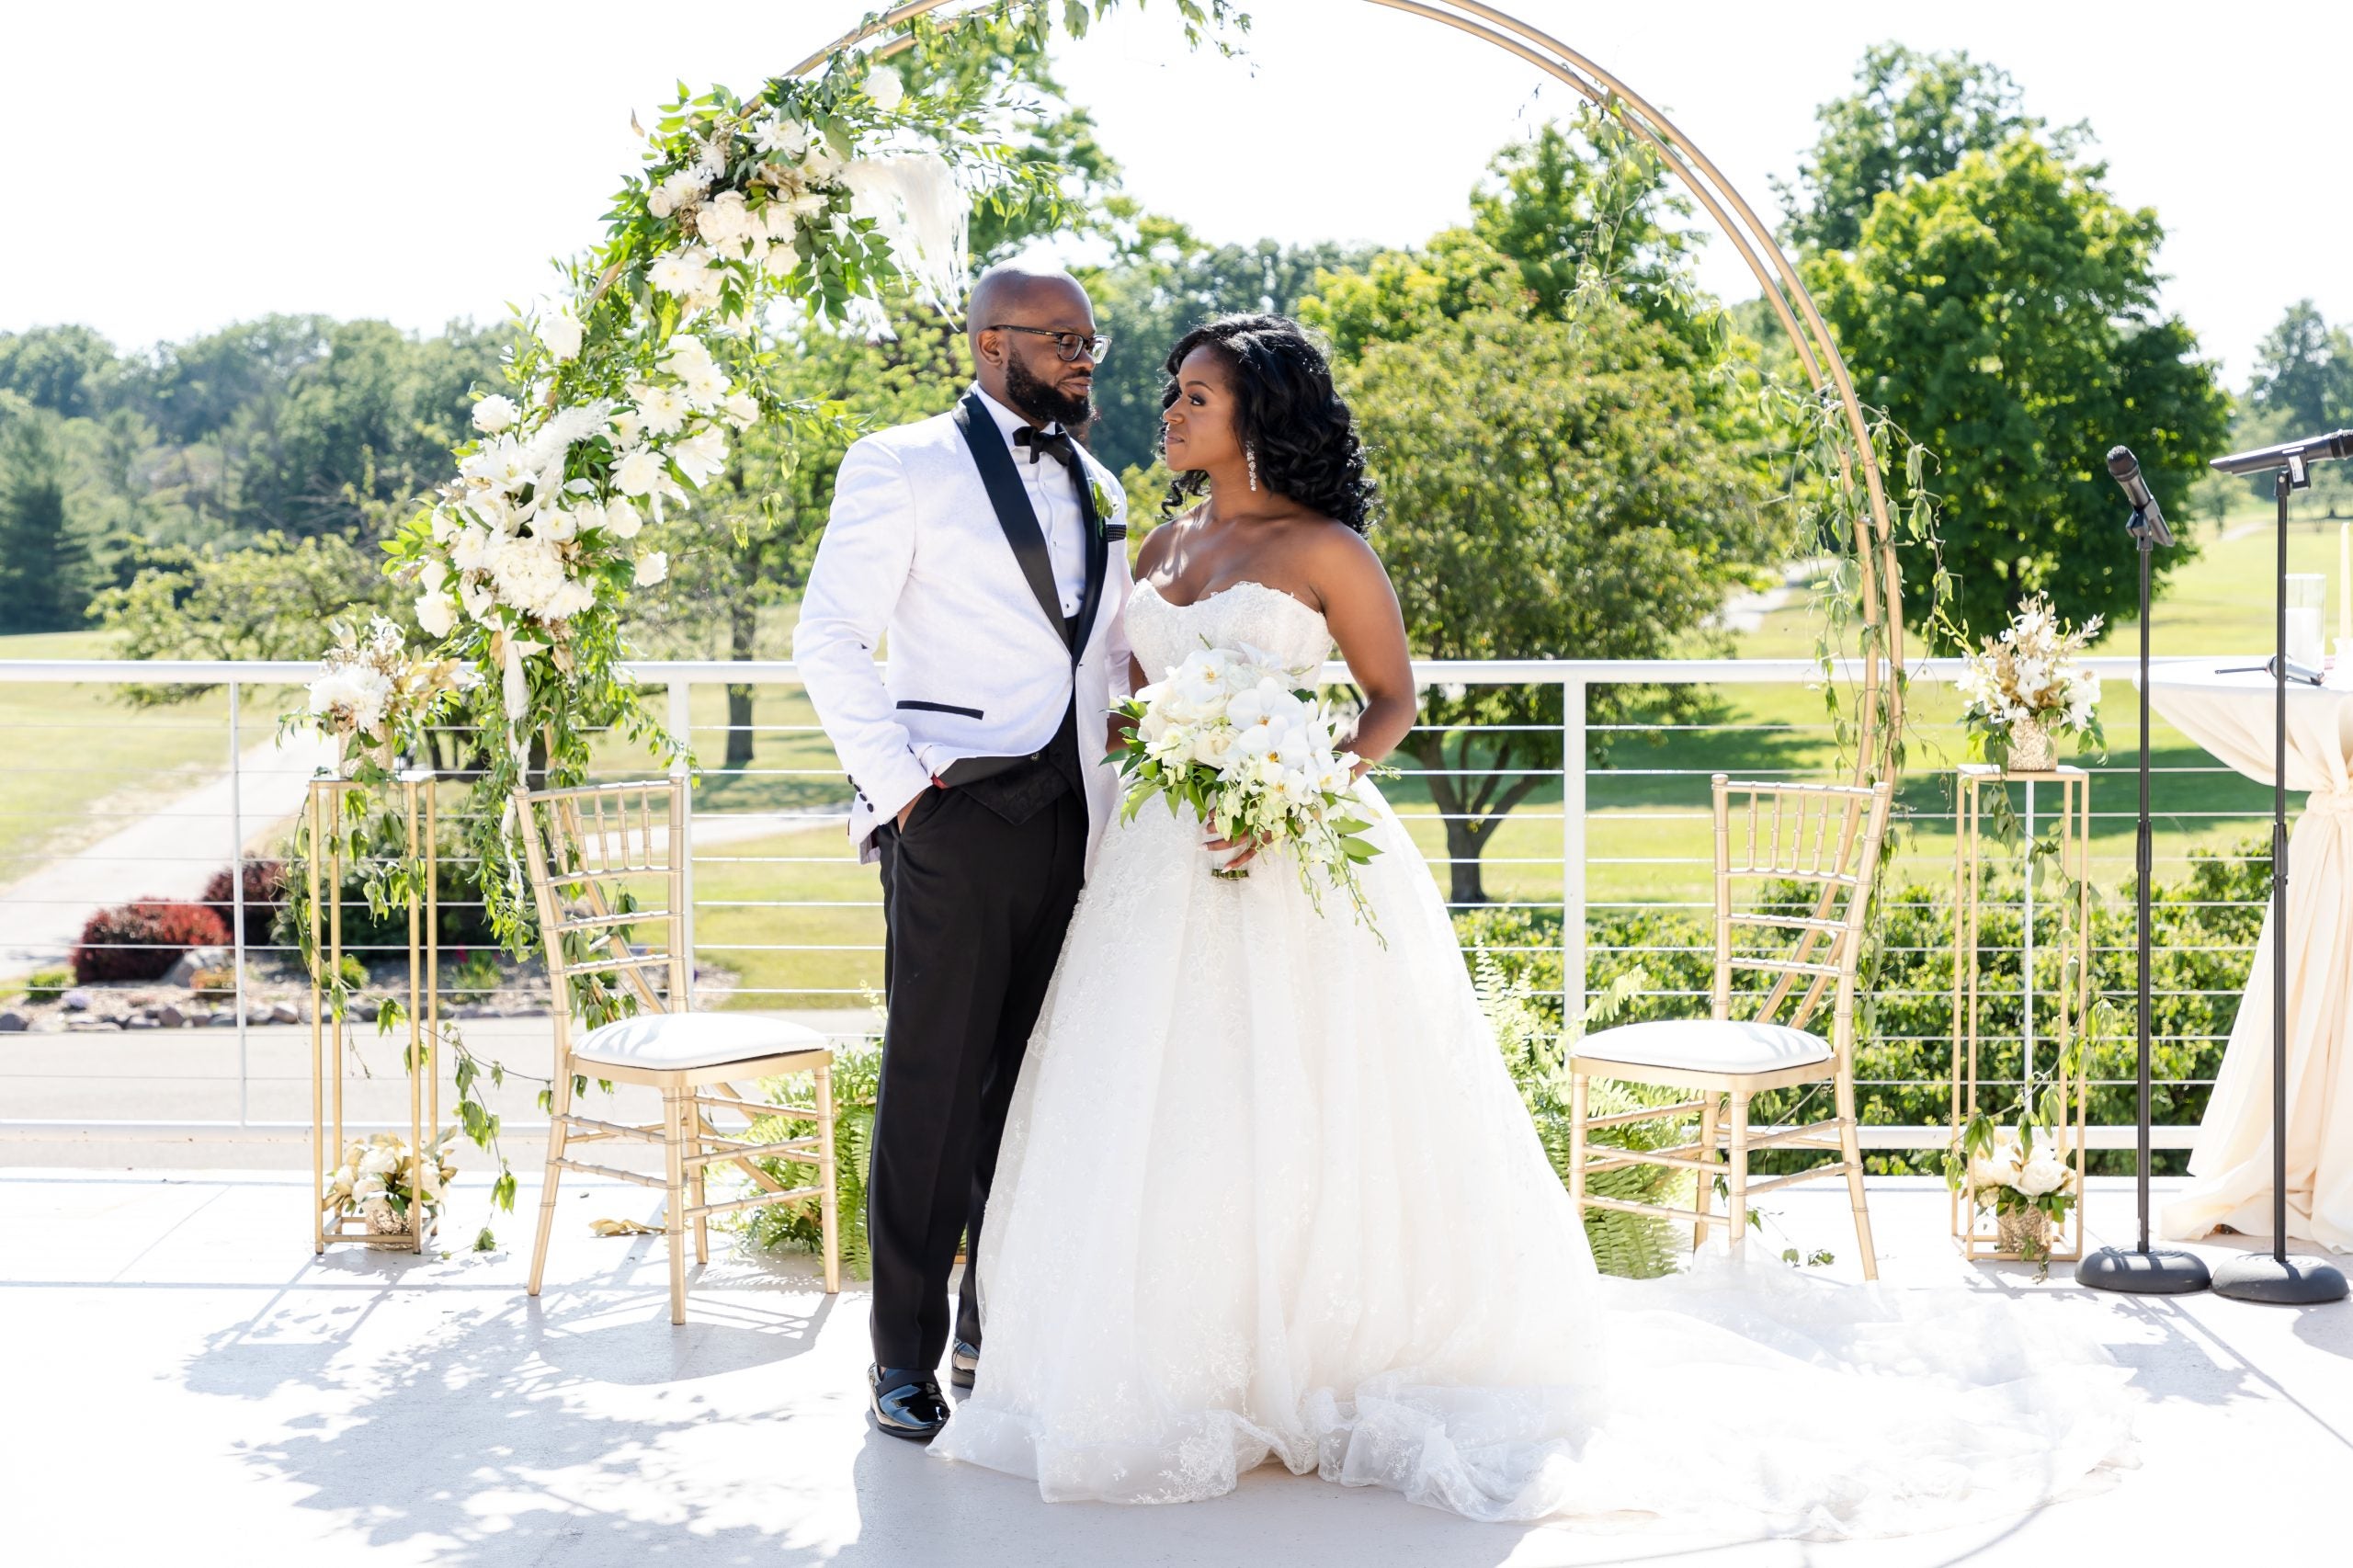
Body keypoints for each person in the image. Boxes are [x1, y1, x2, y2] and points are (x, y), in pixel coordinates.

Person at [927, 313, 2135, 1533]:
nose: (1172, 410)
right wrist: (1168, 767)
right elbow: (1135, 699)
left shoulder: (1324, 548)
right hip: (1156, 868)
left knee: (1312, 1099)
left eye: (1196, 395)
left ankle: (1324, 1366)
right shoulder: (1162, 544)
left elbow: (1390, 702)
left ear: (1259, 416)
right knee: (1165, 1106)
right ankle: (1197, 1367)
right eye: (1174, 392)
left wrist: (1290, 786)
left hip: (1298, 855)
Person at [793, 263, 1132, 1441]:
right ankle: (900, 1355)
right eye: (1065, 338)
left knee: (1030, 1089)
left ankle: (993, 1320)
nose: (1086, 356)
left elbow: (1098, 658)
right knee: (933, 1089)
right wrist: (901, 797)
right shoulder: (902, 461)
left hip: (1076, 822)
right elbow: (828, 634)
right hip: (953, 815)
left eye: (1094, 338)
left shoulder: (1100, 480)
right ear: (994, 344)